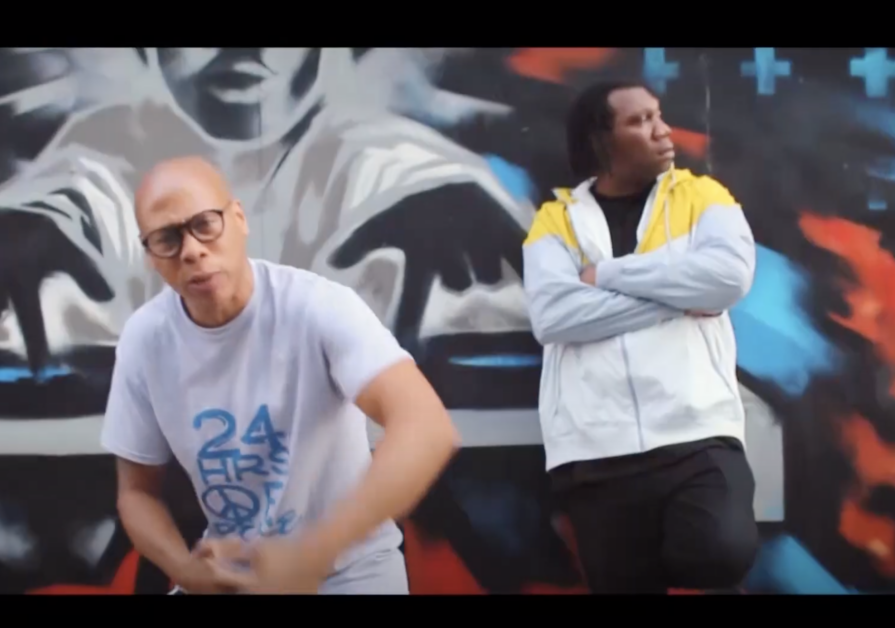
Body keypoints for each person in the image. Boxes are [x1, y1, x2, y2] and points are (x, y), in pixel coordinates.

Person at [99, 155, 461, 594]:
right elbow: (136, 493)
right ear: (150, 255)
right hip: (230, 576)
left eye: (205, 224)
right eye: (166, 238)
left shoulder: (316, 307)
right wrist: (185, 569)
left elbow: (426, 427)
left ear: (238, 219)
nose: (191, 250)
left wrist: (313, 556)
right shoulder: (145, 339)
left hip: (349, 571)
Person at [522, 80, 760, 594]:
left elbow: (728, 279)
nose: (663, 130)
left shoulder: (702, 196)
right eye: (640, 121)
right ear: (600, 141)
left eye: (658, 115)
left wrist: (607, 275)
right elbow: (554, 316)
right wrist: (677, 297)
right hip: (596, 449)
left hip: (697, 432)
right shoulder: (555, 221)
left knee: (720, 553)